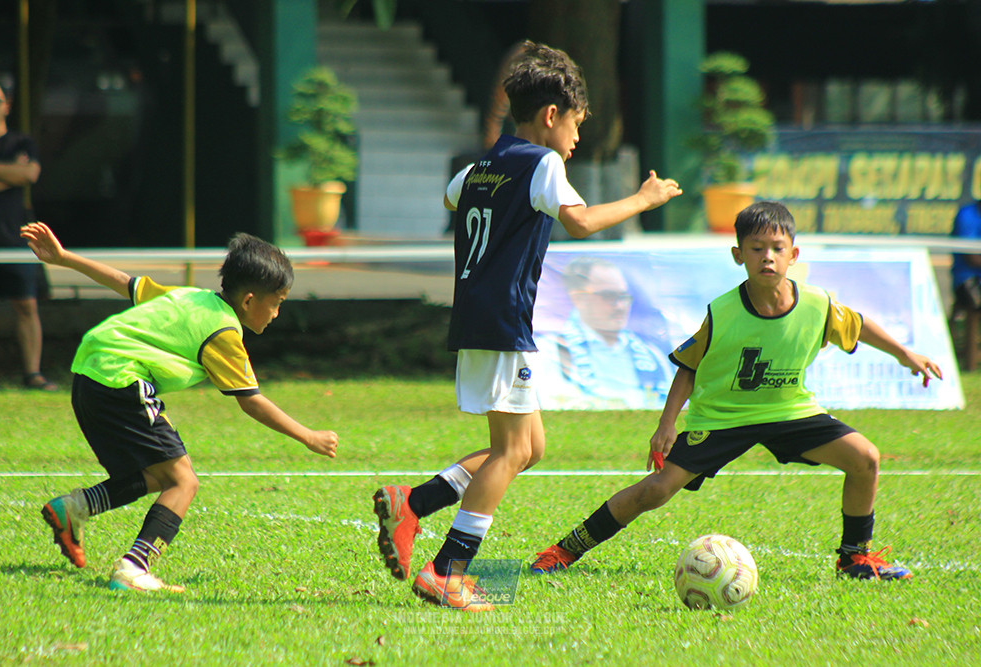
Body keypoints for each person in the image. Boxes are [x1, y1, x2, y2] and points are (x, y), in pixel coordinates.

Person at [370, 41, 682, 610]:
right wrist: (643, 197)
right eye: (577, 125)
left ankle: (412, 504)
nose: (577, 139)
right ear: (550, 116)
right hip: (501, 320)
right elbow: (582, 221)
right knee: (511, 452)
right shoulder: (543, 163)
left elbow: (452, 199)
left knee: (528, 446)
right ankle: (448, 572)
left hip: (479, 318)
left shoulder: (476, 167)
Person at [529, 201, 942, 581]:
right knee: (655, 490)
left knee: (865, 458)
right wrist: (666, 424)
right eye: (757, 248)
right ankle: (565, 550)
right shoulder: (722, 312)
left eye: (778, 248)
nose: (768, 257)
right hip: (722, 418)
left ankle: (855, 558)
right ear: (738, 255)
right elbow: (688, 367)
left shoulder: (817, 304)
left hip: (788, 411)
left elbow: (859, 324)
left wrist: (905, 353)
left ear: (793, 255)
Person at [22, 221, 339, 592]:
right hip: (122, 380)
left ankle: (75, 508)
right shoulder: (222, 332)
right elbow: (251, 401)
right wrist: (308, 436)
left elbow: (125, 282)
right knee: (184, 481)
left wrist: (63, 258)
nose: (276, 313)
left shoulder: (191, 297)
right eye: (277, 303)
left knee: (159, 475)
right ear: (250, 300)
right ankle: (132, 569)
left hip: (89, 376)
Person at [0, 74, 54, 391]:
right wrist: (13, 173)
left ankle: (32, 374)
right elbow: (21, 174)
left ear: (7, 105)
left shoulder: (22, 142)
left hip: (17, 239)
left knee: (27, 306)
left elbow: (31, 174)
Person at [536, 256, 672, 409]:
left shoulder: (652, 356)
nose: (620, 306)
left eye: (624, 297)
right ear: (579, 298)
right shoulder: (548, 352)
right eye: (609, 296)